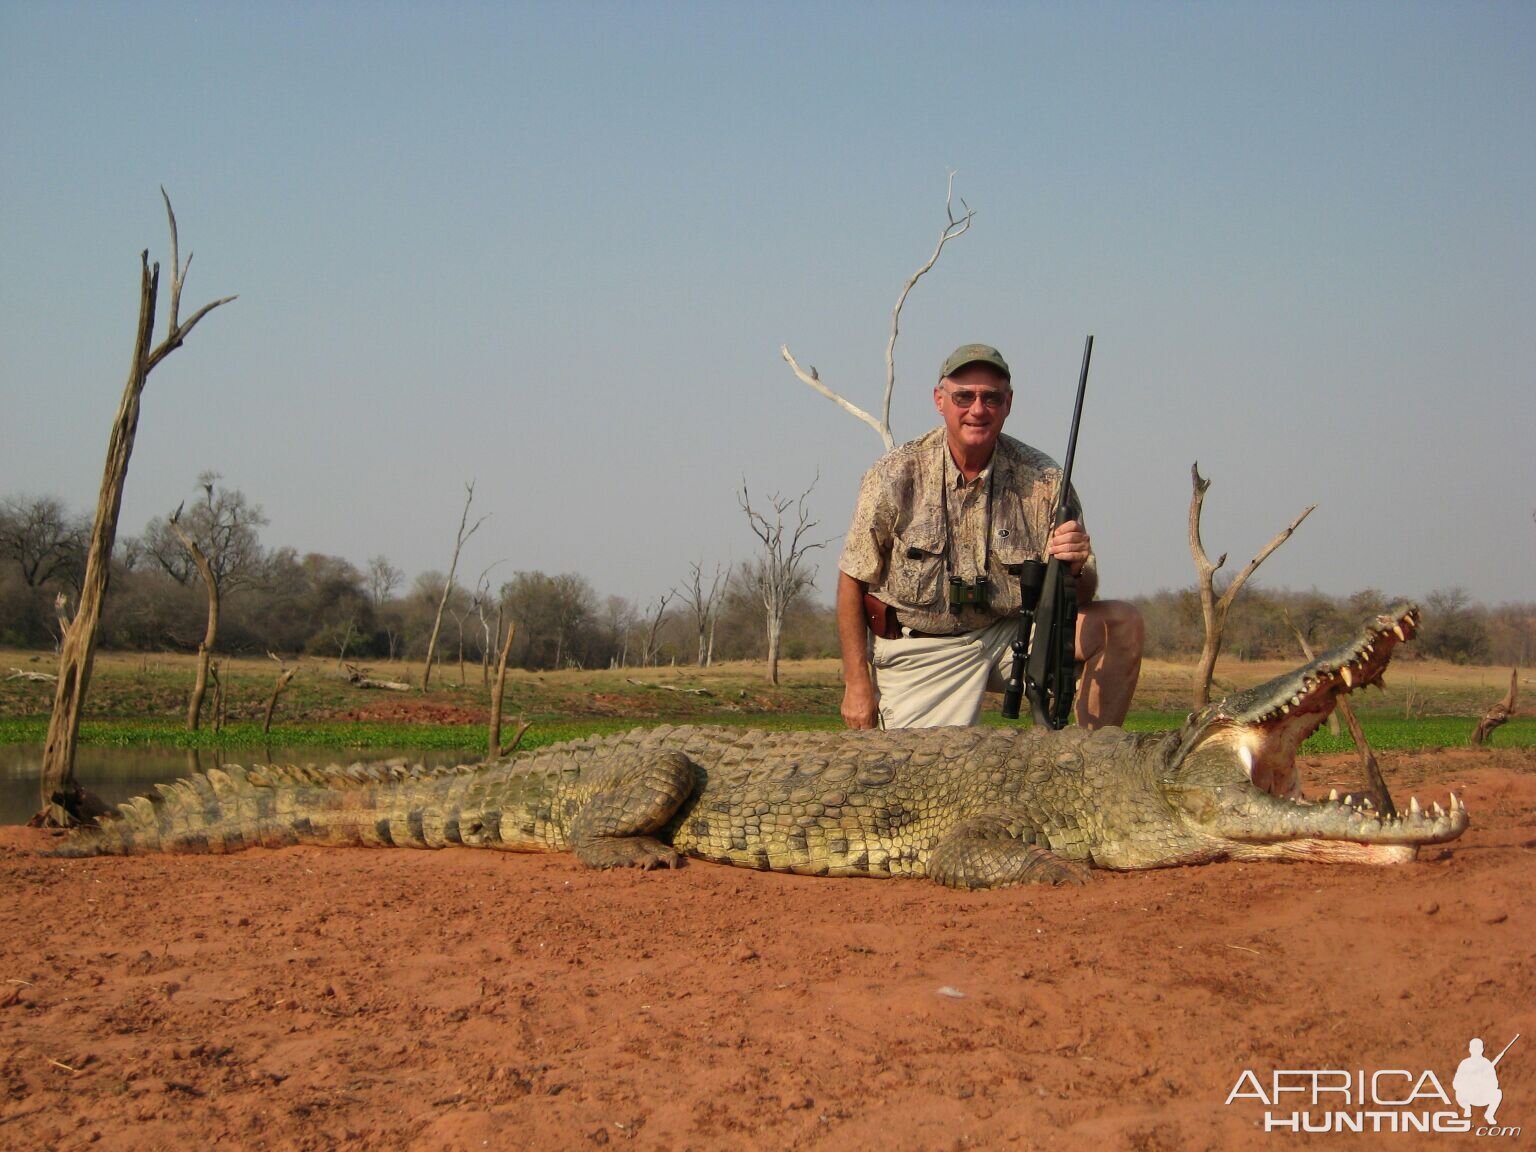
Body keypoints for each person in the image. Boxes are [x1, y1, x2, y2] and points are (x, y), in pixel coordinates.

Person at [837, 343, 1143, 730]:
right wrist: (857, 683)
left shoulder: (1045, 479)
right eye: (964, 396)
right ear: (939, 400)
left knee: (1121, 623)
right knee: (922, 781)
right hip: (924, 648)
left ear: (1008, 403)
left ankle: (1086, 763)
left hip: (1011, 636)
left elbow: (1080, 597)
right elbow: (851, 580)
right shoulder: (894, 474)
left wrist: (1077, 568)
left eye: (991, 398)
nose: (978, 410)